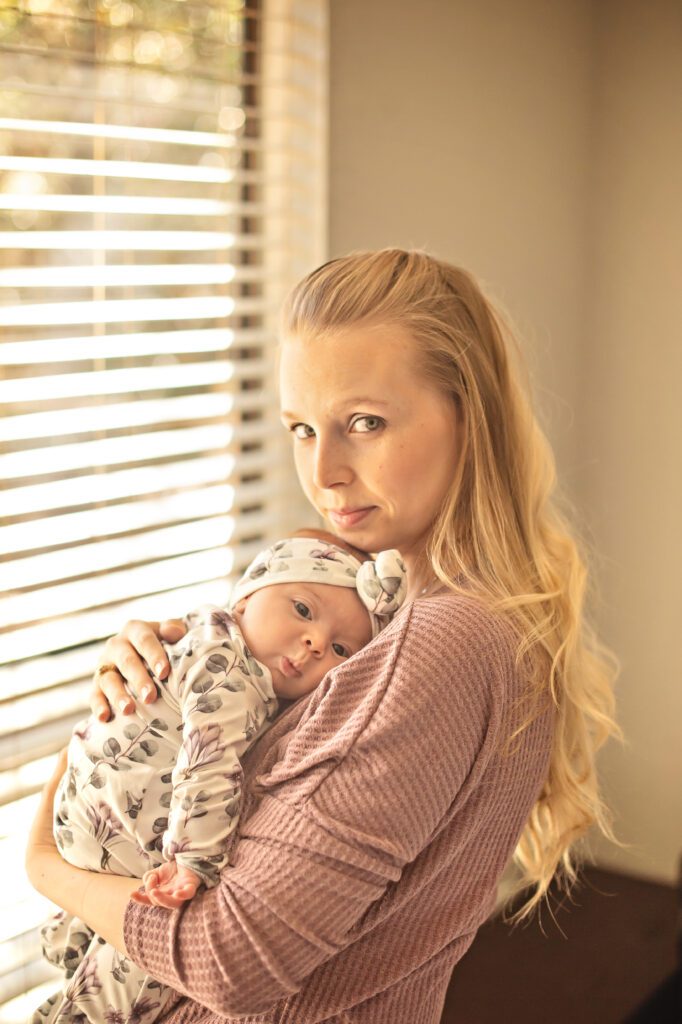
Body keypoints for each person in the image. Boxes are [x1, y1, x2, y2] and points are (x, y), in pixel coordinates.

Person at [26, 249, 620, 1024]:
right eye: (302, 429)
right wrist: (153, 696)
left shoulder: (444, 642)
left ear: (469, 416)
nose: (325, 472)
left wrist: (47, 865)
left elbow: (227, 960)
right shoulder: (406, 618)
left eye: (365, 423)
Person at [33, 534, 406, 1024]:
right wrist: (194, 863)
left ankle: (68, 939)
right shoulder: (233, 676)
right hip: (123, 836)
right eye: (302, 609)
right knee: (144, 961)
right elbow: (207, 766)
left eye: (340, 648)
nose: (316, 642)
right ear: (247, 596)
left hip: (81, 813)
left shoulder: (202, 631)